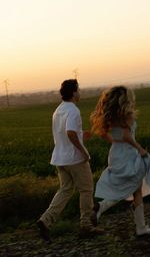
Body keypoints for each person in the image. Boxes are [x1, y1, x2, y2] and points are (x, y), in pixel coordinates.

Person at [37, 79, 102, 242]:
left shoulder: (58, 110)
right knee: (86, 189)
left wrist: (82, 134)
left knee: (65, 190)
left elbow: (69, 132)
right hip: (74, 158)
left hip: (60, 158)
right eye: (78, 90)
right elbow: (70, 133)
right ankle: (86, 226)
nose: (79, 93)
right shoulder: (73, 110)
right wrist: (83, 151)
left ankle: (45, 220)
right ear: (73, 92)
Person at [90, 85, 150, 236]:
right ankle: (102, 207)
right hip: (129, 154)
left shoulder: (111, 116)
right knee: (132, 186)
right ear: (126, 99)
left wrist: (115, 142)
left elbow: (103, 134)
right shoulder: (127, 115)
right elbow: (127, 136)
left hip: (115, 153)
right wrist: (139, 148)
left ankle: (140, 227)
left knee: (135, 188)